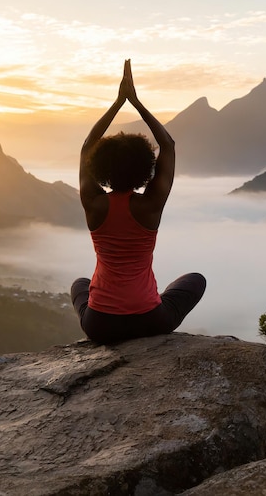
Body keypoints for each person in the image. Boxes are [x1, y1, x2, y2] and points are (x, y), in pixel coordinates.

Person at [71, 59, 206, 344]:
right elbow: (168, 144)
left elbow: (86, 147)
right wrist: (136, 102)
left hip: (100, 326)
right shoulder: (150, 206)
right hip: (149, 320)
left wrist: (118, 102)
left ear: (101, 167)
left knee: (80, 285)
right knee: (196, 279)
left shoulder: (94, 205)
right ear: (145, 168)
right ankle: (148, 298)